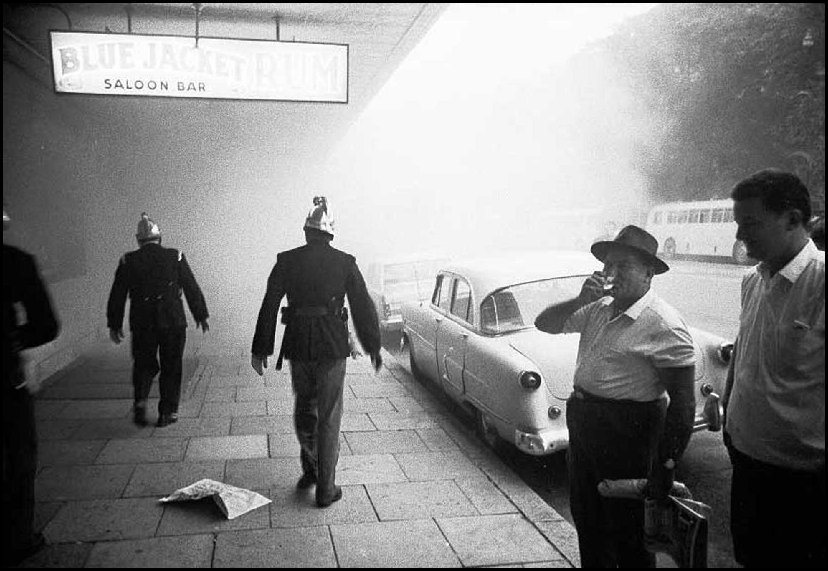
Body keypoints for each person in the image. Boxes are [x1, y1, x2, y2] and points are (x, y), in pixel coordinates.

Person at [535, 225, 696, 568]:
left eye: (624, 266)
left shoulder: (663, 323)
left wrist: (665, 467)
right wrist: (580, 300)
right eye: (609, 265)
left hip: (628, 438)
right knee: (589, 523)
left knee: (630, 534)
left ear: (649, 275)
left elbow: (683, 404)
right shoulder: (598, 307)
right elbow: (544, 323)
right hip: (585, 435)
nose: (612, 273)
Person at [723, 169, 825, 568]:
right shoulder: (753, 279)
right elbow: (747, 353)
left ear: (793, 219)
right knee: (751, 557)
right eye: (738, 224)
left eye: (750, 223)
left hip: (801, 480)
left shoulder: (819, 283)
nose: (739, 236)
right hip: (747, 462)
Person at [251, 196, 381, 508]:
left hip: (298, 344)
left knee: (305, 408)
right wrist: (373, 346)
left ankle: (311, 466)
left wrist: (261, 348)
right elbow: (363, 306)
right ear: (331, 233)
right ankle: (326, 487)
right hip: (332, 346)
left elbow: (270, 303)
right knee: (329, 416)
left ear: (307, 232)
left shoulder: (286, 261)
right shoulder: (345, 262)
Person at [107, 213, 209, 428]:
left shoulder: (128, 260)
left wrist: (114, 323)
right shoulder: (176, 256)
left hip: (142, 321)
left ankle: (141, 401)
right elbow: (191, 287)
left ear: (139, 240)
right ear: (159, 238)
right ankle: (168, 412)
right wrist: (200, 314)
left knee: (143, 364)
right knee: (171, 365)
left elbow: (117, 294)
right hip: (172, 320)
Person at [3, 207, 60, 566]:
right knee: (18, 454)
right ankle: (18, 538)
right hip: (4, 375)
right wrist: (14, 339)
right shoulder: (15, 262)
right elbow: (46, 326)